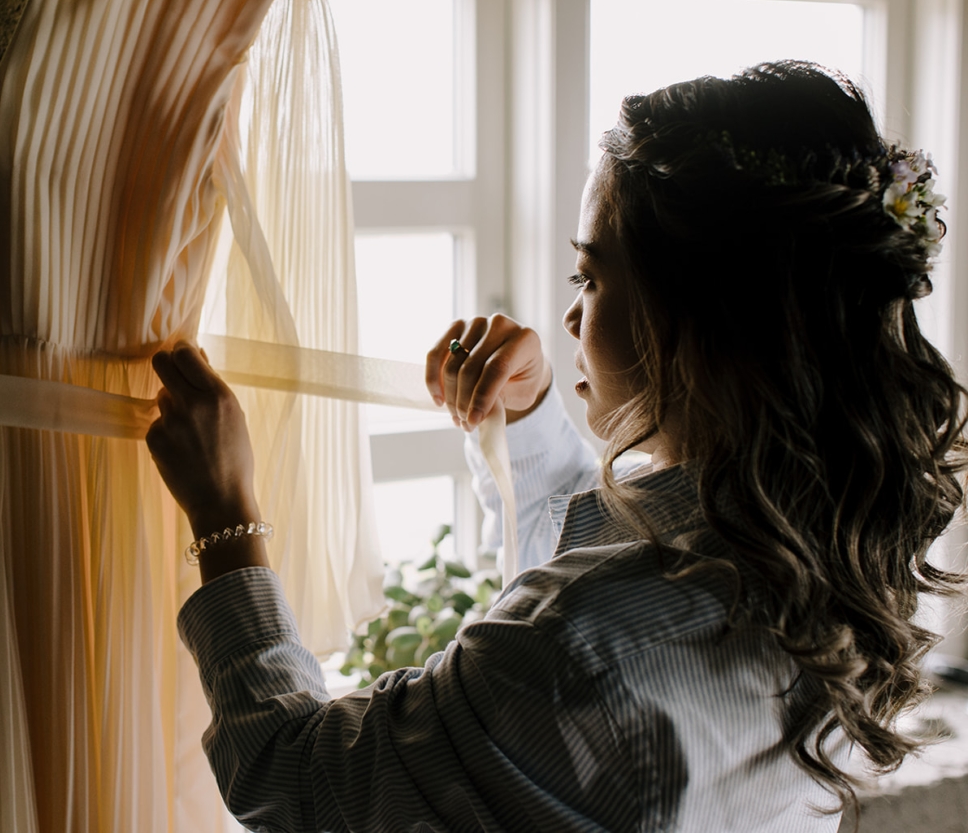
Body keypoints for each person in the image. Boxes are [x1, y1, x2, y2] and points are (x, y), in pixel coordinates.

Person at [144, 61, 966, 832]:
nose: (571, 318)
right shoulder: (851, 558)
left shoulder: (582, 652)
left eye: (592, 277)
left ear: (702, 323)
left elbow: (296, 777)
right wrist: (530, 411)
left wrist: (227, 517)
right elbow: (618, 584)